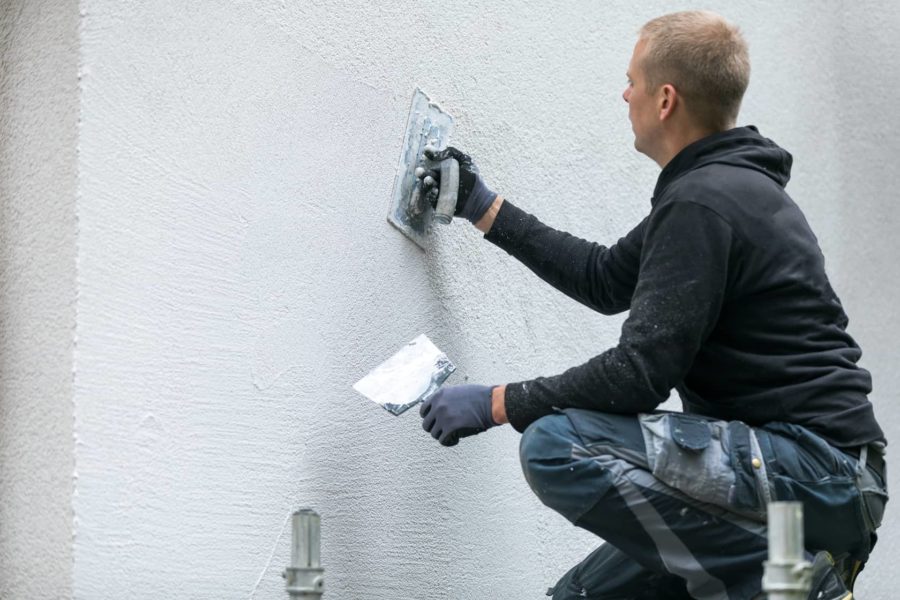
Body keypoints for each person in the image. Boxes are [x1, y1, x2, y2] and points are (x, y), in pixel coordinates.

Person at [416, 10, 887, 600]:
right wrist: (484, 207)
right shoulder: (719, 191)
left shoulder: (706, 202)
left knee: (557, 445)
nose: (624, 93)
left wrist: (497, 403)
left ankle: (798, 586)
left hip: (819, 473)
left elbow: (639, 376)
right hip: (814, 479)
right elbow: (604, 278)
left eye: (632, 81)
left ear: (665, 100)